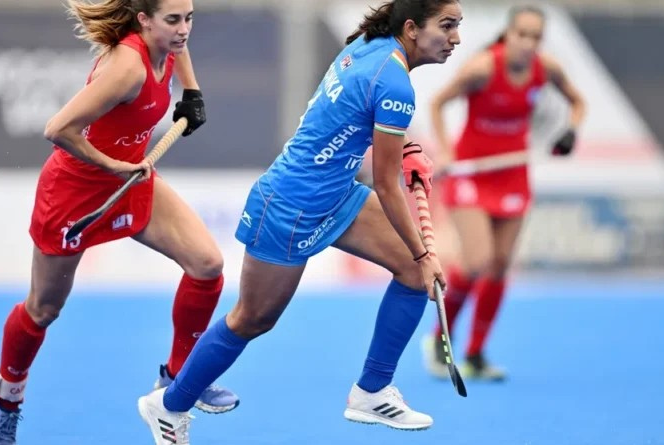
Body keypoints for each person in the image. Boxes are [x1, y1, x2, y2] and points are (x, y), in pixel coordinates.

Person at [135, 0, 463, 442]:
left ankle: (372, 390)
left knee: (408, 271)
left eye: (458, 26)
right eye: (446, 26)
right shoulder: (395, 81)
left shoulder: (373, 45)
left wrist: (405, 149)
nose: (456, 38)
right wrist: (427, 253)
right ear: (411, 27)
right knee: (251, 319)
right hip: (290, 207)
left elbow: (352, 115)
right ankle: (168, 405)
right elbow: (387, 186)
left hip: (336, 193)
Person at [0, 0, 240, 443]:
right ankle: (5, 402)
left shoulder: (169, 41)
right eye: (173, 20)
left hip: (132, 177)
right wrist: (113, 165)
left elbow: (178, 48)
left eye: (189, 18)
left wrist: (191, 91)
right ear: (144, 20)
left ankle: (176, 384)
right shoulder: (127, 67)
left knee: (207, 266)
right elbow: (58, 129)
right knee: (43, 309)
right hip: (76, 192)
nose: (183, 30)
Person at [422, 4, 586, 381]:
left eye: (536, 37)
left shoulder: (546, 70)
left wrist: (570, 131)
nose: (528, 44)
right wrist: (445, 151)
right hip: (471, 175)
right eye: (522, 35)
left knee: (498, 268)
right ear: (508, 35)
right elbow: (438, 103)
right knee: (477, 261)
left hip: (512, 175)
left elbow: (578, 103)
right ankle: (438, 338)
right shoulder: (483, 68)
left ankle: (476, 354)